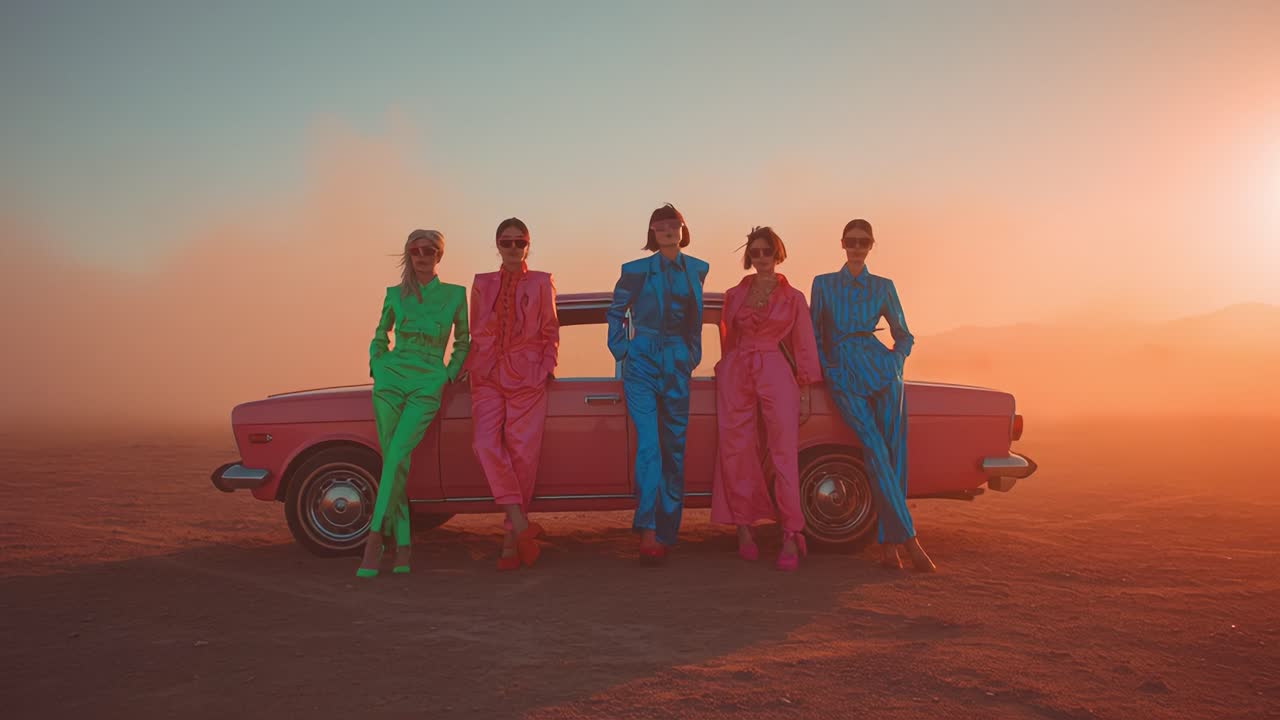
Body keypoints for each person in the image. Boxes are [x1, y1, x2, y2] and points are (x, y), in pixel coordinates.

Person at [810, 219, 936, 572]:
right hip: (843, 375)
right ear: (841, 243)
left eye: (863, 242)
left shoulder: (883, 287)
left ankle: (888, 548)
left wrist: (896, 361)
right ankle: (910, 540)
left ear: (871, 246)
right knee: (875, 449)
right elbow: (813, 333)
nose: (857, 247)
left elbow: (904, 334)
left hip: (883, 372)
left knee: (895, 455)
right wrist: (828, 369)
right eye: (851, 241)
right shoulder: (823, 284)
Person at [357, 229, 470, 578]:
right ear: (409, 254)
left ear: (440, 255)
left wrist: (447, 375)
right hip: (390, 380)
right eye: (416, 250)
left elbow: (464, 341)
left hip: (427, 382)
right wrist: (378, 363)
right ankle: (403, 542)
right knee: (397, 459)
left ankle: (375, 538)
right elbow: (380, 336)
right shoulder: (394, 295)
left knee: (394, 455)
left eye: (430, 250)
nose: (423, 256)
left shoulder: (455, 295)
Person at [711, 226, 821, 571]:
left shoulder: (794, 298)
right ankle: (743, 527)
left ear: (778, 253)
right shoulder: (734, 294)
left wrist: (805, 392)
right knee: (735, 447)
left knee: (784, 452)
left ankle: (791, 532)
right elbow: (728, 338)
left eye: (767, 252)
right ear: (749, 256)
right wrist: (726, 369)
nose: (762, 258)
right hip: (737, 369)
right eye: (756, 252)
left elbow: (803, 345)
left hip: (774, 368)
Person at [606, 203, 708, 562]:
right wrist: (624, 350)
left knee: (674, 450)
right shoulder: (633, 271)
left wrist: (693, 354)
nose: (666, 229)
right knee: (650, 444)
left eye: (673, 224)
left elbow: (696, 318)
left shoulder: (697, 269)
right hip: (642, 361)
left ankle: (666, 532)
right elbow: (616, 312)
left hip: (679, 360)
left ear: (683, 229)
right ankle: (648, 531)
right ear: (651, 232)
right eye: (659, 225)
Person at [465, 218, 559, 571]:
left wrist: (544, 368)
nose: (513, 248)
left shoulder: (541, 282)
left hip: (528, 377)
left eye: (520, 242)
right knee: (484, 444)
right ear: (497, 245)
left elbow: (550, 329)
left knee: (522, 455)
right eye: (507, 243)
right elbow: (477, 330)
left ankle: (510, 539)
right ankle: (520, 525)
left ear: (528, 245)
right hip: (486, 375)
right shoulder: (481, 283)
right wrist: (472, 365)